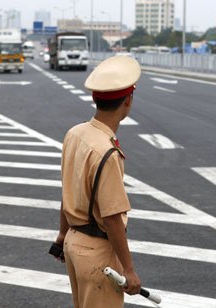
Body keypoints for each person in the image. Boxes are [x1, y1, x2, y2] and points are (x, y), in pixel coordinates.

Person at [52, 55, 142, 307]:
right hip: (97, 252)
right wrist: (128, 269)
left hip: (73, 242)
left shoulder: (75, 133)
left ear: (95, 98)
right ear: (128, 101)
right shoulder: (107, 151)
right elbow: (112, 217)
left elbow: (67, 189)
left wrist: (61, 235)